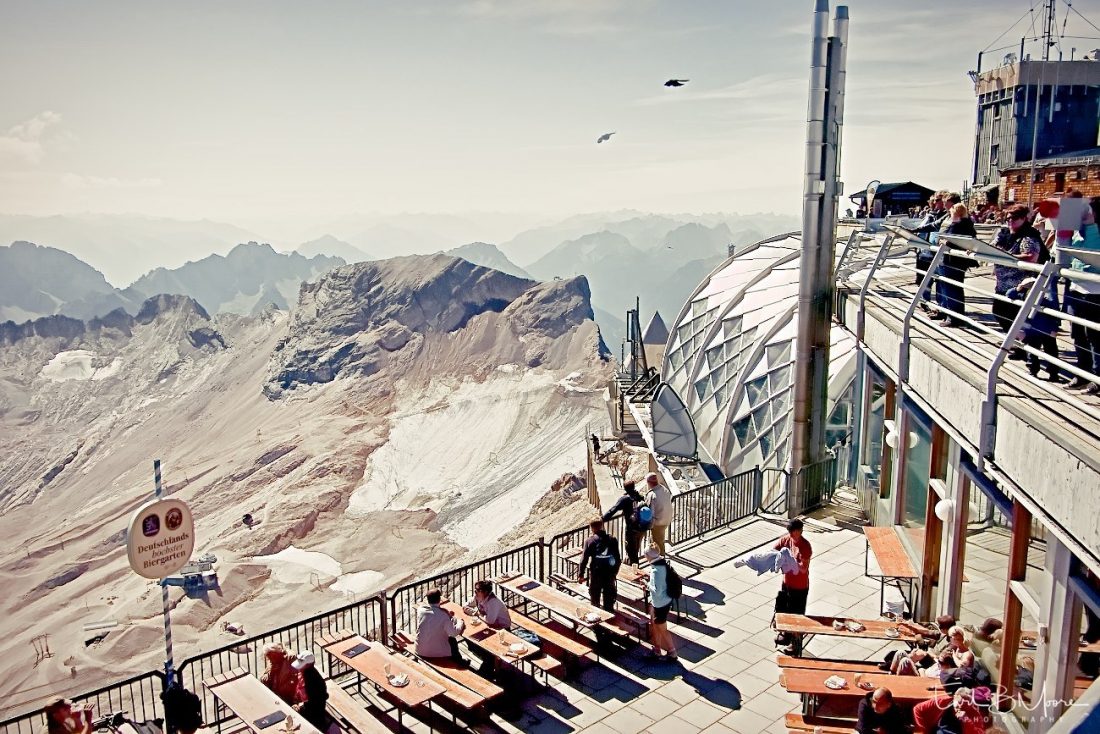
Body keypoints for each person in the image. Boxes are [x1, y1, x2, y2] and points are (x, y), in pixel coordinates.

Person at [992, 207, 1045, 359]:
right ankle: (1018, 343)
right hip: (1002, 283)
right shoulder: (1004, 233)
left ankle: (1023, 346)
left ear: (1023, 219)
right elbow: (994, 248)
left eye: (1014, 218)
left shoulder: (1028, 235)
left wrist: (1008, 257)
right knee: (999, 312)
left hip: (1019, 285)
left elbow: (1031, 256)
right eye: (1007, 218)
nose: (1009, 221)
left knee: (1014, 316)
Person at [1065, 196, 1100, 394]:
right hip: (1076, 288)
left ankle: (1097, 376)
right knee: (1078, 334)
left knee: (1095, 335)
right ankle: (1082, 372)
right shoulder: (1078, 232)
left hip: (1095, 291)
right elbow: (1065, 253)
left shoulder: (1096, 231)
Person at [1008, 277, 1063, 381]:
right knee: (1032, 352)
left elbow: (1053, 315)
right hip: (1031, 331)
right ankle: (1033, 370)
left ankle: (1053, 373)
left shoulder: (1045, 300)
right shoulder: (1022, 295)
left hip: (1046, 330)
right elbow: (1009, 294)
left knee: (1051, 352)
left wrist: (1054, 328)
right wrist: (1019, 288)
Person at [773, 518, 812, 654]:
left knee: (797, 616)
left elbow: (803, 568)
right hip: (787, 583)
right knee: (785, 609)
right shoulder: (786, 540)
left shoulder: (805, 546)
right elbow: (774, 551)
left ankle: (796, 645)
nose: (790, 534)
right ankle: (786, 634)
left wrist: (790, 562)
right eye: (789, 531)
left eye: (793, 532)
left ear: (800, 531)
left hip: (799, 587)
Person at [934, 203, 977, 326]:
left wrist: (942, 240)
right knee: (954, 288)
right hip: (957, 262)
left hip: (951, 261)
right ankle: (954, 315)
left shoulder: (958, 225)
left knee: (951, 289)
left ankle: (953, 318)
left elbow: (949, 241)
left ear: (956, 213)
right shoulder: (968, 224)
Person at [415, 588, 469, 666]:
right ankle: (460, 663)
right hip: (434, 653)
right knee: (452, 640)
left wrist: (445, 613)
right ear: (440, 599)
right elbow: (454, 632)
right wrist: (461, 622)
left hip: (419, 649)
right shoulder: (443, 616)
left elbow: (433, 615)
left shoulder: (421, 610)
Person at [577, 519, 621, 612]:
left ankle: (596, 623)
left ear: (592, 528)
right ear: (601, 526)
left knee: (595, 599)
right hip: (609, 573)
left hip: (596, 574)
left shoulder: (589, 541)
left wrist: (581, 575)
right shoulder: (612, 539)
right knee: (609, 600)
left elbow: (584, 559)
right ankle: (610, 619)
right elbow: (618, 559)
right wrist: (614, 572)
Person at [643, 546, 678, 661]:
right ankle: (657, 649)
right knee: (655, 625)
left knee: (662, 628)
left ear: (648, 557)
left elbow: (657, 591)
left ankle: (672, 652)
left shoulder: (656, 571)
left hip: (660, 604)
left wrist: (647, 584)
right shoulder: (662, 564)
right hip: (663, 601)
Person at [602, 480, 647, 565]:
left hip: (631, 529)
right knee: (635, 550)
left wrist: (603, 519)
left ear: (625, 488)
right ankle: (633, 567)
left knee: (631, 551)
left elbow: (613, 509)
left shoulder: (625, 499)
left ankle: (635, 572)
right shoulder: (638, 495)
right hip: (641, 527)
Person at [292, 651, 330, 733]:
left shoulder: (312, 679)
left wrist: (300, 707)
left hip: (314, 714)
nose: (299, 667)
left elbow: (314, 702)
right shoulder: (304, 674)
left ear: (309, 665)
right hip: (309, 708)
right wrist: (297, 703)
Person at [643, 472, 674, 555]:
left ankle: (660, 558)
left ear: (649, 483)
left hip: (658, 521)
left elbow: (650, 512)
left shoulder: (651, 495)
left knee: (658, 542)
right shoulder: (664, 489)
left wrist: (647, 524)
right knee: (659, 538)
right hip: (667, 518)